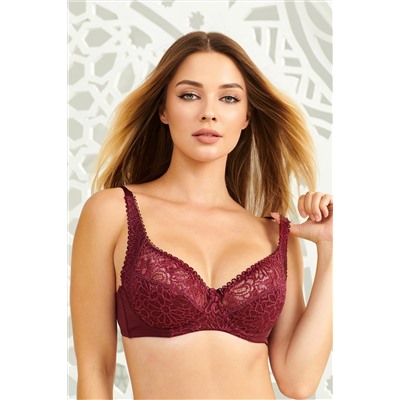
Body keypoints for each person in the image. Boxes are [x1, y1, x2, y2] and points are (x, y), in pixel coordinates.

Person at [70, 31, 332, 399]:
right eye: (189, 95)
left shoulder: (275, 236)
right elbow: (95, 371)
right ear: (163, 109)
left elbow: (298, 381)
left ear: (246, 116)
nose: (209, 111)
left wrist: (333, 250)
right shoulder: (113, 213)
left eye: (229, 98)